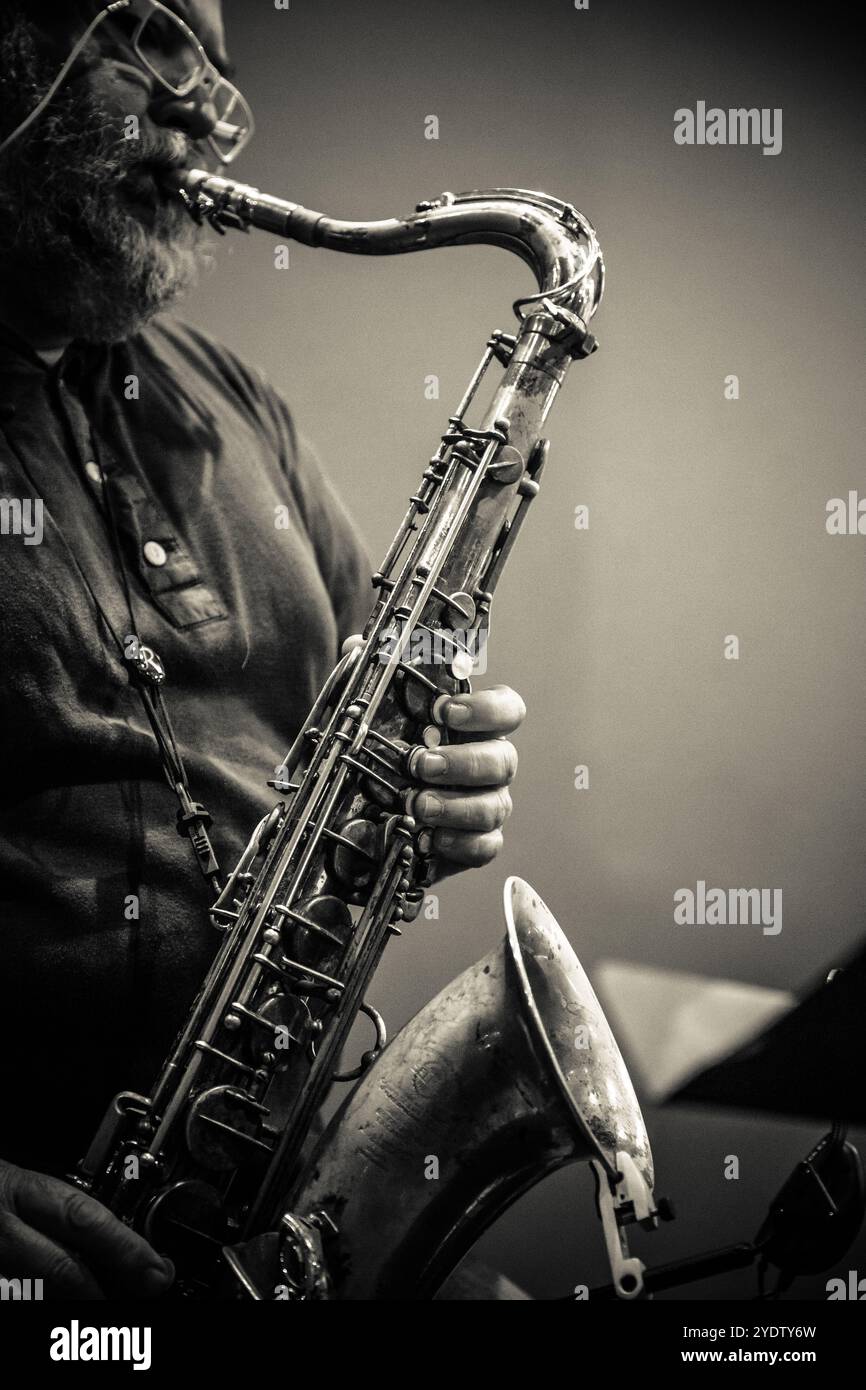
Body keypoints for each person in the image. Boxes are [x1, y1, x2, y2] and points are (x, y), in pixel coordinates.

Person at [0, 0, 526, 1298]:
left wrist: (432, 789)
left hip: (254, 1179)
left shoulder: (227, 396)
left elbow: (371, 718)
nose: (207, 110)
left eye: (224, 71)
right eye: (154, 41)